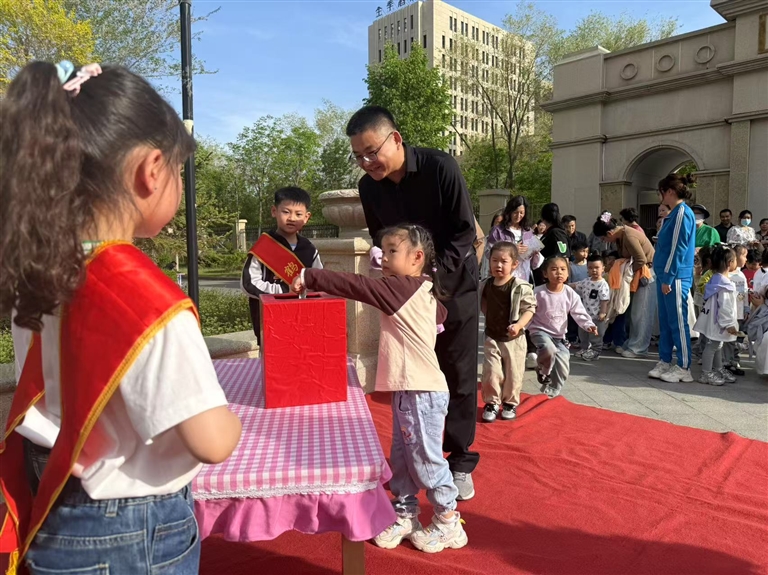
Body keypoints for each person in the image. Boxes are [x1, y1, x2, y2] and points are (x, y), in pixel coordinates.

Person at [0, 60, 242, 574]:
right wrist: (234, 420)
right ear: (151, 170)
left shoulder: (39, 271)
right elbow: (212, 441)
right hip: (133, 529)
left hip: (54, 505)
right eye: (180, 171)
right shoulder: (144, 295)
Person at [291, 225, 467, 553]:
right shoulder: (422, 287)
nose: (384, 258)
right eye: (382, 251)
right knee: (402, 457)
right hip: (411, 389)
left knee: (425, 459)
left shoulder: (400, 289)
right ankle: (405, 514)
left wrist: (310, 275)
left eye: (392, 252)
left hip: (421, 391)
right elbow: (439, 315)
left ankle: (448, 521)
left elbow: (356, 285)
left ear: (417, 257)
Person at [346, 106, 478, 499]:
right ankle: (416, 453)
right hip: (407, 299)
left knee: (457, 372)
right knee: (412, 375)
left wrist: (431, 278)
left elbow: (463, 232)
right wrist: (382, 258)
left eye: (372, 152)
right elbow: (381, 236)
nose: (367, 163)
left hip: (452, 286)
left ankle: (460, 459)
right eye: (358, 156)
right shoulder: (369, 188)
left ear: (396, 139)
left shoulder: (440, 168)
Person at [241, 187, 323, 343]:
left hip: (303, 319)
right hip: (270, 320)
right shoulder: (263, 246)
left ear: (306, 217)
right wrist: (285, 291)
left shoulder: (310, 249)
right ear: (274, 211)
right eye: (286, 212)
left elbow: (319, 280)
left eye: (298, 214)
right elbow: (248, 283)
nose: (292, 218)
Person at [479, 242, 536, 423]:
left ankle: (510, 403)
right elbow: (483, 304)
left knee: (513, 373)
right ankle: (492, 403)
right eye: (494, 260)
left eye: (504, 261)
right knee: (491, 372)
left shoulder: (520, 286)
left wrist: (519, 325)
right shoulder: (485, 285)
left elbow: (530, 309)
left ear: (514, 264)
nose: (498, 265)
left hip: (514, 339)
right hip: (492, 336)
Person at [649, 174, 697, 383]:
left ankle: (684, 366)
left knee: (677, 322)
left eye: (661, 192)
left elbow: (679, 248)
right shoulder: (675, 213)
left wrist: (668, 277)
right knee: (666, 321)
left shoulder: (682, 213)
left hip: (675, 277)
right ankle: (665, 360)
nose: (660, 197)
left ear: (669, 191)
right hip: (666, 275)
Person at [528, 256, 597, 398]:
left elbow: (579, 312)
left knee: (563, 363)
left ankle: (552, 390)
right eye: (554, 269)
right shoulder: (538, 292)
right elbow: (527, 311)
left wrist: (588, 324)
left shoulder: (569, 293)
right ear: (545, 273)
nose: (559, 272)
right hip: (539, 331)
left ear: (567, 273)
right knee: (549, 349)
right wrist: (521, 326)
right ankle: (543, 370)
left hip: (559, 336)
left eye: (563, 269)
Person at [591, 213, 656, 358]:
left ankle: (639, 348)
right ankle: (633, 343)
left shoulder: (629, 235)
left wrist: (626, 272)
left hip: (646, 274)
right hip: (637, 275)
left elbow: (641, 259)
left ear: (609, 233)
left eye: (603, 239)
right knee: (633, 313)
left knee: (641, 313)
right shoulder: (622, 235)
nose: (604, 241)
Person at [693, 246, 739, 385]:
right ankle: (706, 373)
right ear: (730, 263)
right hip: (719, 322)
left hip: (714, 320)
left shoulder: (715, 280)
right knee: (713, 345)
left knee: (717, 344)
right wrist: (729, 324)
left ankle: (718, 369)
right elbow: (725, 307)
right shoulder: (725, 285)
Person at [486, 196, 542, 283]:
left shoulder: (528, 231)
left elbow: (534, 264)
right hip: (504, 275)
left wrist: (534, 253)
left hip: (524, 275)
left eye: (522, 213)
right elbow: (488, 252)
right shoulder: (498, 231)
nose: (518, 216)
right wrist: (512, 250)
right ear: (509, 212)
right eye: (515, 212)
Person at [573, 253, 610, 361]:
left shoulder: (603, 284)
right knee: (583, 333)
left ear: (603, 268)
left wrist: (602, 313)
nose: (594, 270)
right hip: (585, 315)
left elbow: (604, 300)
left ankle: (595, 351)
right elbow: (576, 285)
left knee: (596, 335)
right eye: (590, 268)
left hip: (596, 315)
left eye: (597, 267)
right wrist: (564, 285)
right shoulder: (586, 281)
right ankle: (585, 348)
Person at [533, 203, 571, 286]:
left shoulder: (556, 233)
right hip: (545, 274)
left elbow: (563, 254)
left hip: (553, 276)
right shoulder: (549, 232)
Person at [479, 212, 503, 279]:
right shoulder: (486, 239)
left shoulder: (506, 243)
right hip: (485, 274)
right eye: (497, 222)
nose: (498, 226)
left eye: (501, 223)